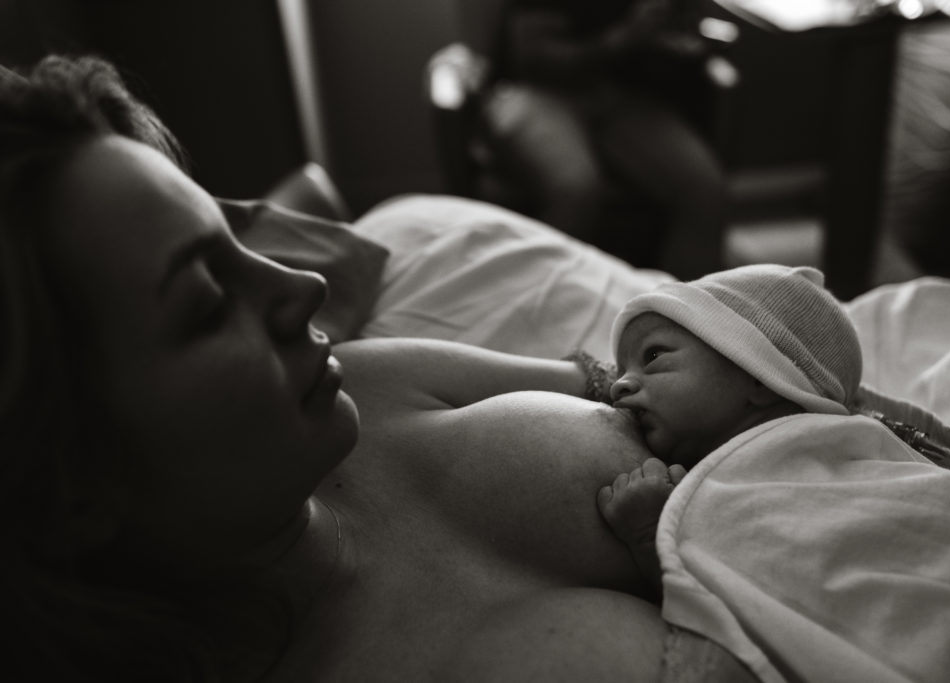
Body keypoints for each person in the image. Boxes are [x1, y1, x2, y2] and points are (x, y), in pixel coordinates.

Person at [0, 55, 759, 682]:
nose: (305, 286)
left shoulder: (371, 383)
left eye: (237, 241)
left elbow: (664, 382)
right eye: (206, 304)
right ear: (70, 487)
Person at [593, 265, 863, 588]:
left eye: (652, 355)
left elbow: (738, 598)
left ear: (759, 377)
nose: (617, 386)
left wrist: (650, 534)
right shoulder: (707, 479)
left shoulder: (804, 467)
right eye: (621, 371)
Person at [485, 0, 727, 279]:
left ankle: (682, 303)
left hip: (619, 96)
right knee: (575, 190)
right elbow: (533, 59)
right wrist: (623, 38)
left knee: (704, 189)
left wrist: (673, 42)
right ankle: (537, 294)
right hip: (537, 91)